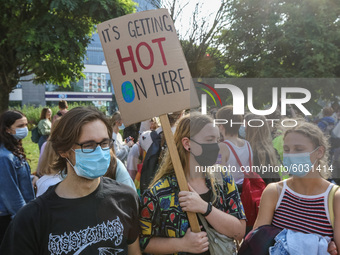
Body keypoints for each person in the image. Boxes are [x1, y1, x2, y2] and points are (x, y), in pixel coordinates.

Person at [0, 107, 141, 255]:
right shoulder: (32, 219)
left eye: (104, 143)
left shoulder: (125, 198)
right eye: (88, 145)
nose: (99, 152)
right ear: (63, 150)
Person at [139, 113, 246, 254]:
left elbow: (239, 231)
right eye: (210, 140)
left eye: (217, 139)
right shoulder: (159, 191)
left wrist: (205, 208)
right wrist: (182, 244)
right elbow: (144, 242)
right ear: (187, 144)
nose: (216, 146)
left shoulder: (223, 178)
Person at [253, 121, 340, 253]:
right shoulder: (274, 192)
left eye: (298, 149)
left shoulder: (335, 198)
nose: (291, 154)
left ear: (319, 152)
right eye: (287, 149)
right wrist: (318, 246)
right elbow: (256, 243)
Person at [0, 110, 35, 245]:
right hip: (10, 218)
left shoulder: (12, 150)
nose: (25, 129)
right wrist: (24, 219)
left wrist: (33, 178)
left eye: (26, 125)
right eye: (20, 126)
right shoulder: (4, 157)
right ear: (7, 129)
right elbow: (10, 193)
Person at [216, 105, 253, 191]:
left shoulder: (222, 147)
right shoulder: (247, 144)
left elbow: (219, 176)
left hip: (232, 192)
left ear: (221, 125)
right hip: (246, 189)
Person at [244, 113, 281, 185]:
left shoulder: (252, 152)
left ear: (252, 129)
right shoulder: (271, 151)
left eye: (245, 125)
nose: (243, 128)